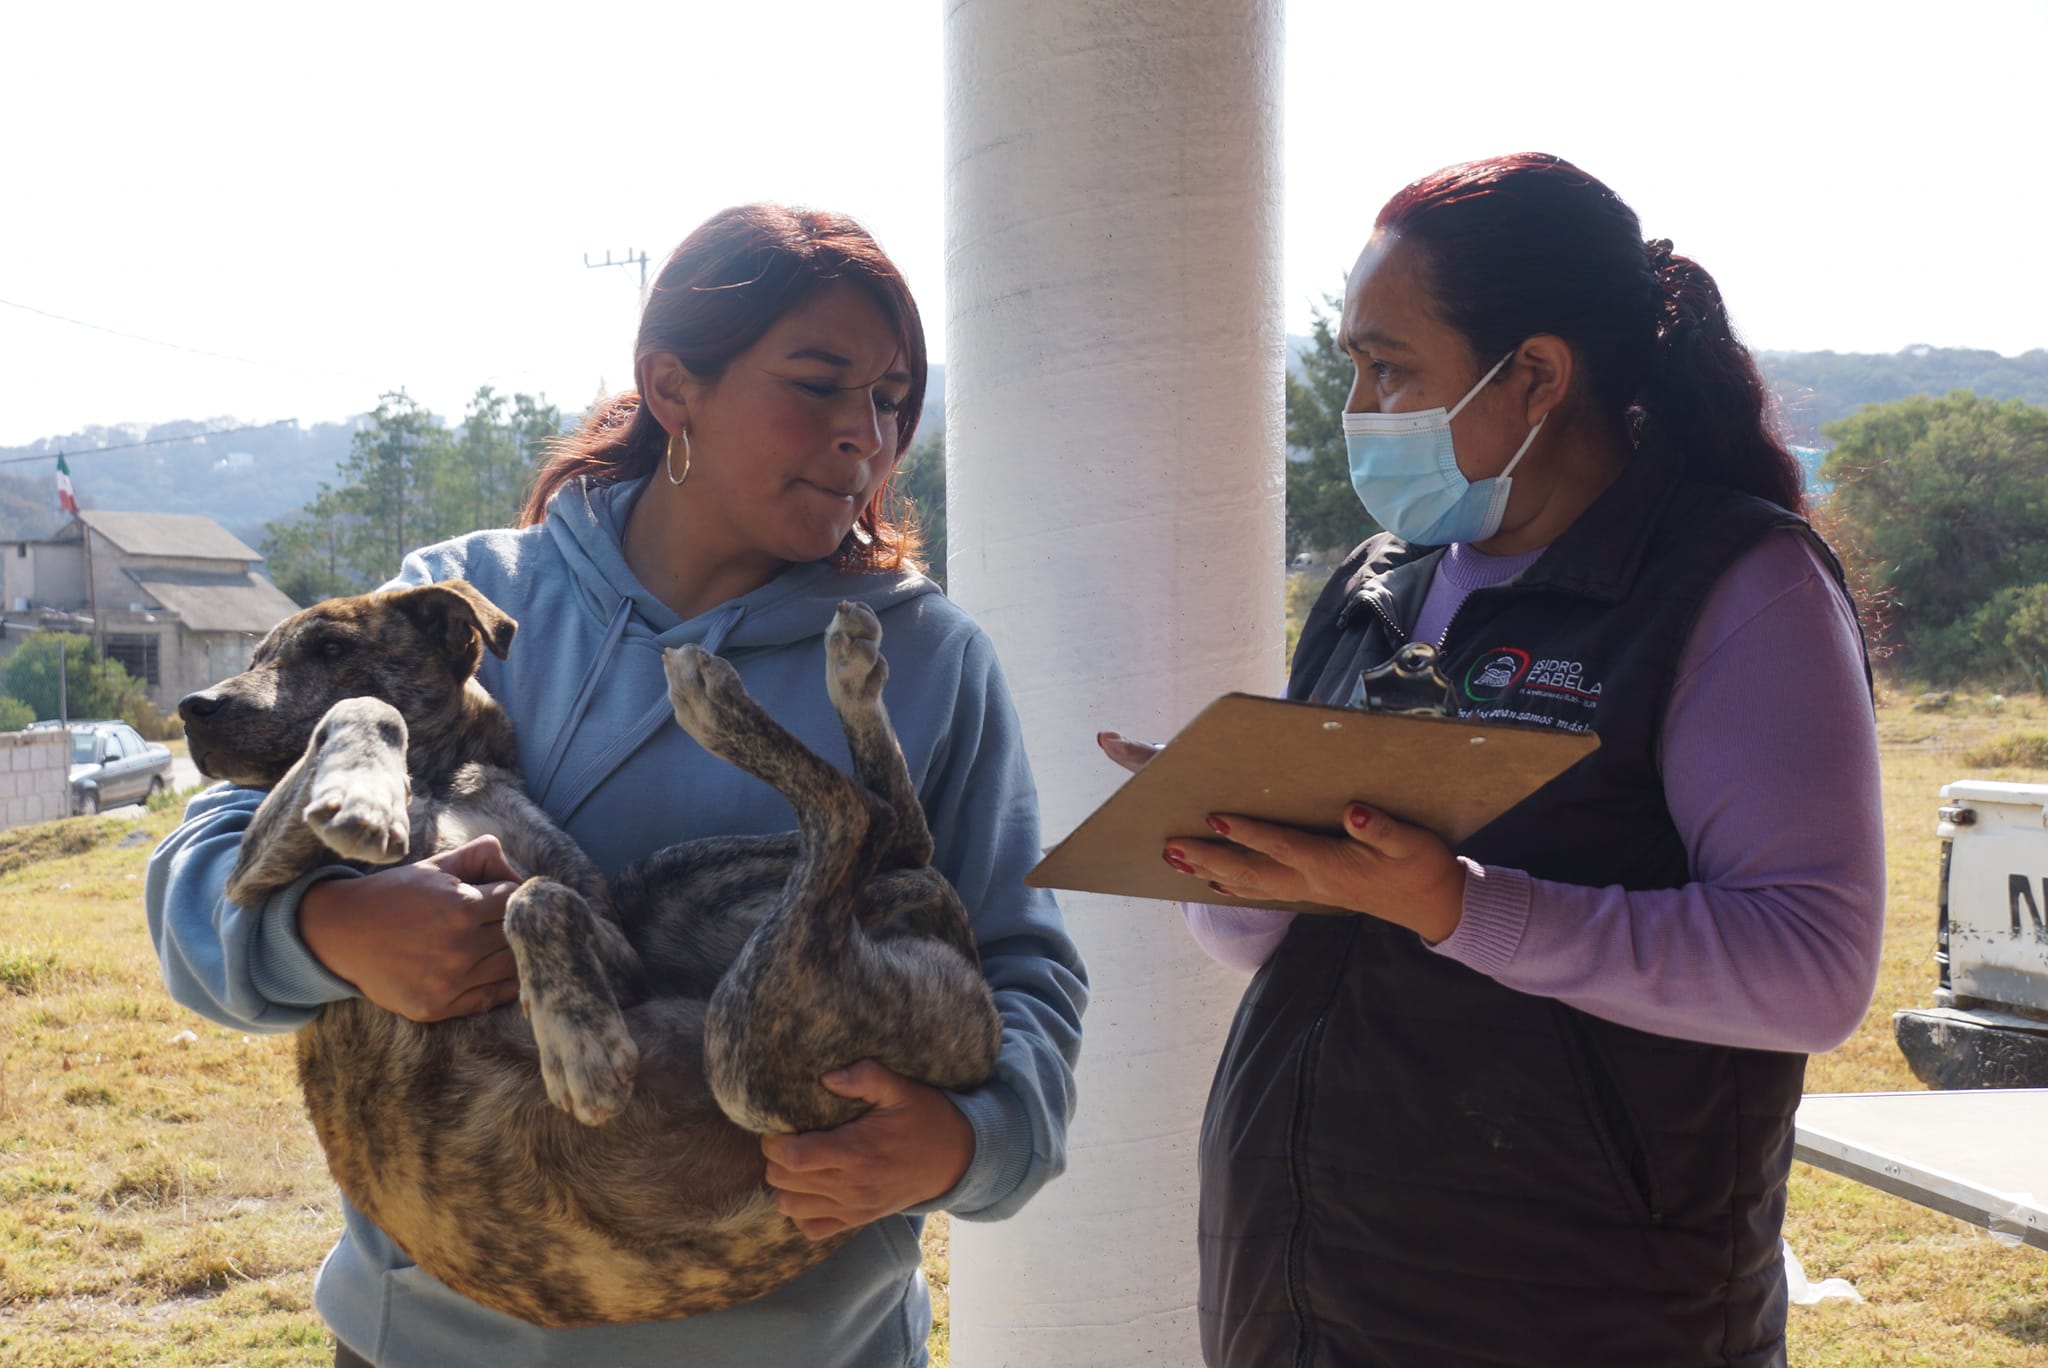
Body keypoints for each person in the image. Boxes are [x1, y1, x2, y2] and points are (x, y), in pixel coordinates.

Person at [147, 204, 1087, 1368]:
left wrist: (964, 1141)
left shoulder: (922, 661)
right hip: (435, 1339)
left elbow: (1022, 966)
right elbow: (201, 876)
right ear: (671, 385)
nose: (866, 432)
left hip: (795, 1340)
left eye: (892, 398)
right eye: (817, 382)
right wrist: (329, 928)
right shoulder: (459, 610)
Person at [1140, 154, 1884, 1367]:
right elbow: (1268, 945)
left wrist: (1459, 908)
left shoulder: (1733, 586)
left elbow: (1811, 971)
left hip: (1577, 1306)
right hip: (1301, 1284)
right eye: (1353, 368)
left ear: (1534, 374)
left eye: (1389, 366)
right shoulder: (1377, 582)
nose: (1359, 406)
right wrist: (1233, 851)